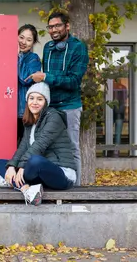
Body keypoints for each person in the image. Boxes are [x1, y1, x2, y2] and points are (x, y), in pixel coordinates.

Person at [26, 12, 89, 185]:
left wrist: (46, 77)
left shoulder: (78, 47)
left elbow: (74, 81)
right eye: (50, 27)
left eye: (57, 26)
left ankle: (75, 188)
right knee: (48, 146)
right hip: (50, 107)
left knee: (72, 147)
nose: (54, 30)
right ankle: (54, 182)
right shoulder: (47, 47)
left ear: (67, 26)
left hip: (69, 105)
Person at [0, 82, 76, 205]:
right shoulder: (30, 121)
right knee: (0, 163)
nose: (35, 102)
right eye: (31, 98)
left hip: (62, 174)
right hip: (42, 175)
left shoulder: (54, 118)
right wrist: (12, 166)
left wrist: (21, 166)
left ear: (46, 102)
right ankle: (26, 189)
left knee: (35, 161)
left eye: (40, 99)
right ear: (27, 101)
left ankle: (11, 181)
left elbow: (40, 145)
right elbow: (22, 148)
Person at [17, 24, 41, 144]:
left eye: (29, 40)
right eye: (21, 37)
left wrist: (19, 57)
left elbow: (24, 78)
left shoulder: (33, 59)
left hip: (23, 111)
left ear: (33, 43)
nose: (24, 42)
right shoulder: (7, 56)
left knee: (23, 145)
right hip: (6, 109)